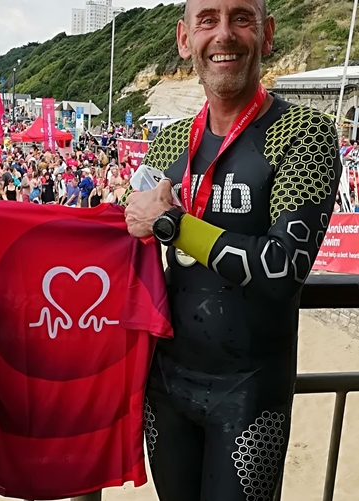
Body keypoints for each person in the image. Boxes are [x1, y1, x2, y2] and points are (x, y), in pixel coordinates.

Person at [124, 0, 341, 499]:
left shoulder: (303, 134)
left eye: (241, 18)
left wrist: (174, 226)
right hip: (165, 388)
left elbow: (283, 267)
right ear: (185, 40)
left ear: (267, 35)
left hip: (250, 397)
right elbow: (129, 238)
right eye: (207, 20)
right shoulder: (168, 143)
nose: (223, 34)